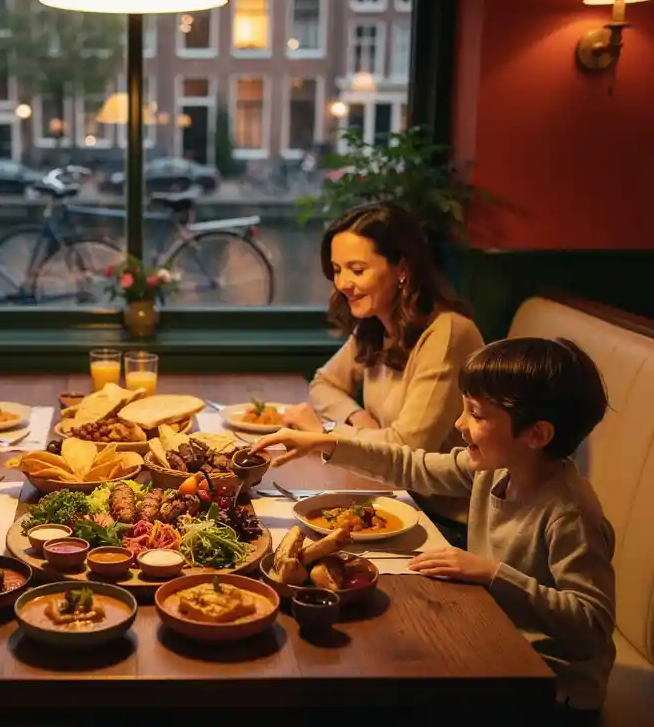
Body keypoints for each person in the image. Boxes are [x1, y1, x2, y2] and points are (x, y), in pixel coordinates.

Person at [256, 337, 615, 721]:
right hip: (494, 639)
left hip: (550, 688)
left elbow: (591, 624)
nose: (459, 424)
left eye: (476, 414)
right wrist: (324, 442)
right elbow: (414, 465)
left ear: (536, 435)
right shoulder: (495, 469)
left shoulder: (570, 513)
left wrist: (492, 573)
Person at [283, 202, 484, 526]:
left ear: (402, 269)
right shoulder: (375, 324)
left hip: (445, 521)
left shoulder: (446, 334)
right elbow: (324, 383)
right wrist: (358, 417)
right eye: (337, 270)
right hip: (393, 497)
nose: (343, 284)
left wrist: (327, 433)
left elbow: (408, 449)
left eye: (357, 269)